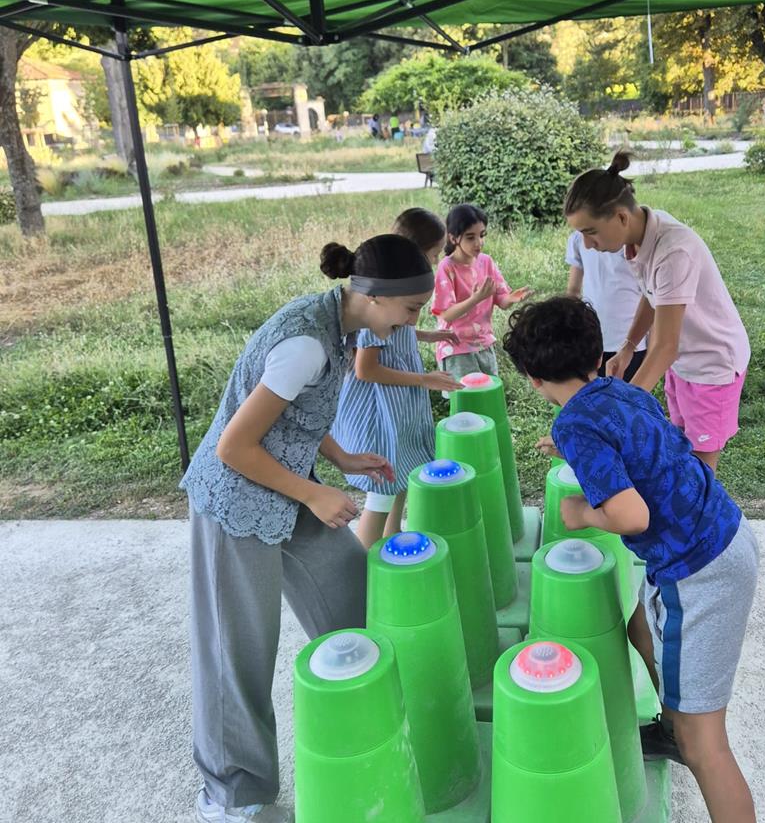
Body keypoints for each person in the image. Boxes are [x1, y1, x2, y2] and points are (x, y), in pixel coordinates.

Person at [180, 233, 436, 823]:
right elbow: (233, 447)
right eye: (410, 309)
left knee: (355, 595)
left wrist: (342, 458)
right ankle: (231, 798)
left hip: (285, 485)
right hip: (236, 500)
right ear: (374, 296)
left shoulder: (341, 327)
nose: (411, 323)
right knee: (239, 654)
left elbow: (297, 411)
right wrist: (316, 494)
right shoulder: (304, 342)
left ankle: (375, 730)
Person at [503, 296, 759, 823]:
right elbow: (634, 441)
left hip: (699, 571)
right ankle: (671, 726)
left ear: (532, 378)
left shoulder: (574, 426)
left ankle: (683, 734)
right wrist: (577, 451)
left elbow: (631, 516)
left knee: (706, 745)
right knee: (639, 625)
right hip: (718, 533)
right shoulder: (620, 389)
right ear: (599, 357)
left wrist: (580, 513)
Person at [563, 149, 750, 474]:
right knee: (681, 447)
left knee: (701, 470)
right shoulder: (639, 237)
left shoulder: (673, 250)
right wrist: (628, 346)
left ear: (621, 217)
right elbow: (652, 296)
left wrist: (623, 406)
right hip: (683, 364)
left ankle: (698, 506)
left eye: (590, 231)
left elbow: (665, 346)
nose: (588, 244)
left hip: (712, 364)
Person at [332, 209, 461, 549]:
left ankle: (391, 540)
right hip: (381, 412)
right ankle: (365, 562)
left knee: (401, 473)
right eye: (433, 254)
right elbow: (367, 368)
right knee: (383, 486)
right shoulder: (377, 306)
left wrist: (428, 336)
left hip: (399, 405)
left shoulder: (396, 299)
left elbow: (398, 331)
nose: (435, 262)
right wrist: (424, 380)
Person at [431, 203, 531, 382]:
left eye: (482, 235)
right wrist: (476, 298)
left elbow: (502, 301)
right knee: (465, 395)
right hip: (456, 348)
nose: (479, 242)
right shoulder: (446, 267)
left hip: (484, 344)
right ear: (453, 238)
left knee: (489, 392)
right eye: (471, 237)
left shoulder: (486, 262)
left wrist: (511, 298)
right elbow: (446, 314)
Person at [565, 228, 647, 380]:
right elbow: (573, 291)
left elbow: (649, 295)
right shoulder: (578, 238)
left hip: (631, 342)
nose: (588, 242)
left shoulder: (634, 241)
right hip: (591, 341)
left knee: (627, 392)